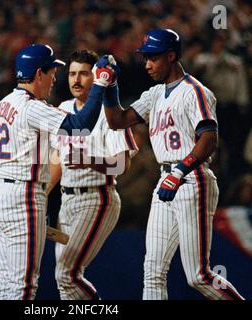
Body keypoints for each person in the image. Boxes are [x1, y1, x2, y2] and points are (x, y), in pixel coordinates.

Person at [102, 28, 245, 300]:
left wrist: (179, 172)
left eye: (153, 58)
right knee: (153, 270)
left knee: (198, 275)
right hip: (165, 179)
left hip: (192, 177)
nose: (147, 64)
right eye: (145, 58)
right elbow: (117, 121)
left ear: (171, 56)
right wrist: (109, 88)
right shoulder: (155, 93)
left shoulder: (195, 92)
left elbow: (209, 139)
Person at [0, 44, 117, 300]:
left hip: (0, 191)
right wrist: (101, 83)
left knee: (7, 281)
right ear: (38, 74)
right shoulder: (31, 106)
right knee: (22, 285)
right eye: (52, 71)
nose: (55, 78)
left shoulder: (1, 105)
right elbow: (80, 125)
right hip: (22, 194)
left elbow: (57, 153)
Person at [47, 49, 138, 300]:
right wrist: (42, 195)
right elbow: (56, 159)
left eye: (84, 74)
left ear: (97, 76)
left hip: (97, 198)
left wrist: (88, 161)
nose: (76, 80)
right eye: (72, 74)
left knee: (66, 274)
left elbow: (122, 166)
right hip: (67, 200)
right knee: (65, 281)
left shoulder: (111, 112)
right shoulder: (64, 108)